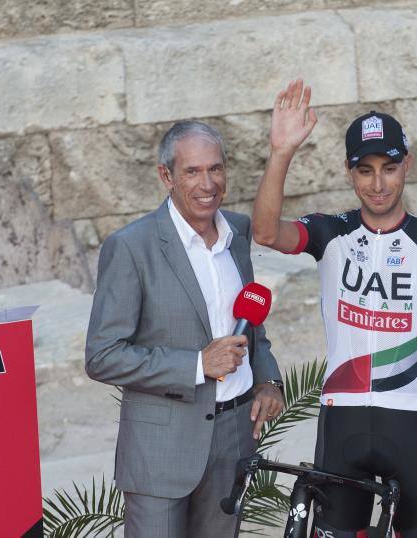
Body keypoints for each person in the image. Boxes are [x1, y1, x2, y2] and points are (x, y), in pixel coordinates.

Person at [252, 80, 417, 538]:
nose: (378, 183)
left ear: (407, 166)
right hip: (343, 423)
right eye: (366, 170)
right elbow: (267, 232)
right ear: (349, 173)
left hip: (408, 426)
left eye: (389, 168)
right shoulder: (331, 233)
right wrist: (280, 152)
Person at [85, 121, 285, 538]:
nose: (207, 183)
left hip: (234, 439)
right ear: (167, 176)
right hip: (162, 452)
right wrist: (197, 364)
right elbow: (102, 355)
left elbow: (250, 326)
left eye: (215, 169)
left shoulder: (238, 233)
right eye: (192, 171)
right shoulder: (131, 247)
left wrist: (268, 380)